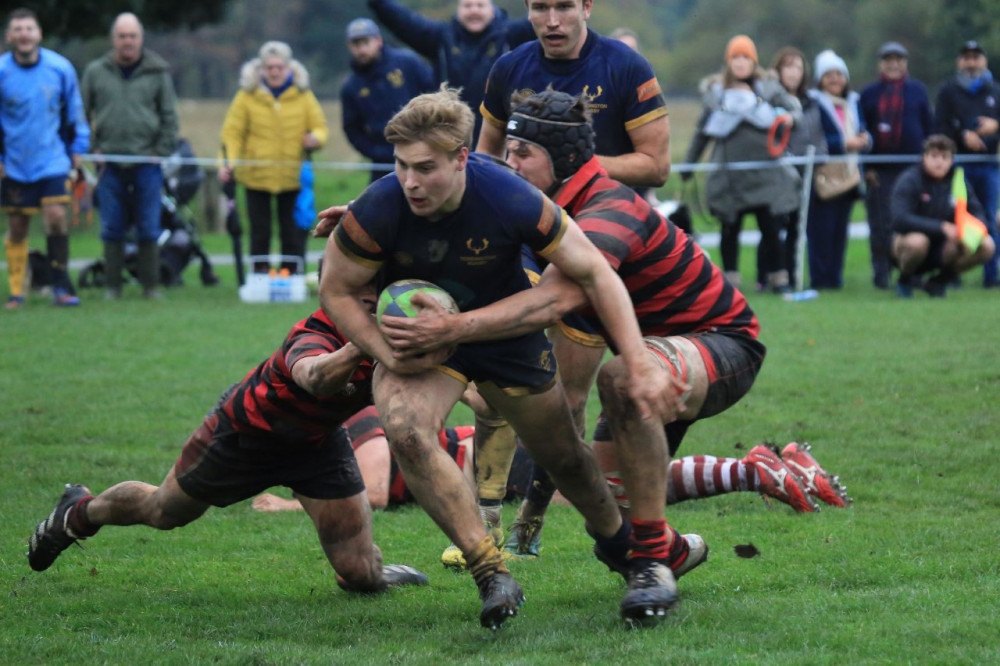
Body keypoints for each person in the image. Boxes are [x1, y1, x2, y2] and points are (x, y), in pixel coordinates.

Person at [319, 88, 684, 628]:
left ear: (462, 158)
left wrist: (635, 359)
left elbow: (595, 273)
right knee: (406, 428)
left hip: (507, 338)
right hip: (422, 344)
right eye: (400, 166)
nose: (410, 182)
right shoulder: (380, 205)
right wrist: (385, 351)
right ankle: (490, 572)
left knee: (563, 458)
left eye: (425, 168)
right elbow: (336, 290)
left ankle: (619, 545)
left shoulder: (508, 196)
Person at [26, 294, 429, 596]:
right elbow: (316, 378)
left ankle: (371, 566)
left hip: (316, 443)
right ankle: (79, 511)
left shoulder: (400, 337)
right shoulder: (316, 331)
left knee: (361, 577)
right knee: (164, 511)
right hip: (245, 434)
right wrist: (364, 342)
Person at [254, 405, 848, 516]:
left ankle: (754, 470)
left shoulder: (357, 423)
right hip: (501, 458)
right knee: (617, 487)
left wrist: (289, 506)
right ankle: (762, 468)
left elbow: (378, 492)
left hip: (504, 460)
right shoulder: (345, 431)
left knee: (613, 491)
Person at [477, 0, 670, 189]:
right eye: (540, 7)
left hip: (605, 212)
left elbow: (657, 168)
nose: (552, 21)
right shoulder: (508, 67)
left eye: (564, 6)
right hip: (529, 215)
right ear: (528, 10)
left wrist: (571, 163)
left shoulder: (628, 66)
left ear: (586, 7)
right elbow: (487, 155)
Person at [682, 35, 802, 292]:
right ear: (728, 61)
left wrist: (791, 118)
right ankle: (731, 282)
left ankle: (778, 279)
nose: (740, 62)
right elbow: (702, 132)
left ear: (753, 61)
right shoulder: (716, 94)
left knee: (770, 228)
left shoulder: (768, 88)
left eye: (745, 57)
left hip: (765, 175)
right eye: (735, 57)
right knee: (730, 229)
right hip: (729, 178)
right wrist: (688, 166)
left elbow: (794, 109)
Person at [81, 12, 179, 300]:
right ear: (114, 39)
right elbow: (81, 114)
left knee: (149, 226)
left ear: (141, 39)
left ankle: (150, 287)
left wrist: (159, 152)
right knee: (112, 225)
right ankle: (113, 286)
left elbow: (169, 117)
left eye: (132, 36)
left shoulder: (157, 72)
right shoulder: (96, 72)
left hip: (147, 164)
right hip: (109, 165)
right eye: (122, 36)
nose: (127, 41)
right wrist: (92, 148)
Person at [1, 7, 89, 309]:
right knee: (17, 226)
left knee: (56, 216)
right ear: (9, 36)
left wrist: (78, 148)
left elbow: (75, 113)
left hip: (52, 160)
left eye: (30, 28)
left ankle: (61, 286)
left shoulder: (60, 69)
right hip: (14, 162)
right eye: (18, 29)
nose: (24, 34)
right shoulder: (1, 72)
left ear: (39, 34)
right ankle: (17, 291)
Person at [219, 40, 328, 275]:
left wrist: (315, 139)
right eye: (270, 67)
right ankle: (259, 274)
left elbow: (320, 127)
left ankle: (292, 274)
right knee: (260, 231)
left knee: (292, 230)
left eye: (280, 66)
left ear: (289, 68)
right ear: (261, 69)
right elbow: (232, 134)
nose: (275, 71)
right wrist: (228, 164)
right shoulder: (246, 97)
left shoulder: (303, 95)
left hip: (293, 178)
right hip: (256, 178)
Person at [366, 0, 533, 144]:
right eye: (467, 5)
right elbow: (402, 20)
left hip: (499, 133)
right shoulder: (441, 38)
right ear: (458, 10)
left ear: (492, 9)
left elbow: (542, 17)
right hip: (450, 134)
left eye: (480, 5)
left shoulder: (510, 36)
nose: (474, 10)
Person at [859, 41, 934, 290]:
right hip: (880, 170)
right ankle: (881, 274)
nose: (893, 64)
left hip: (912, 169)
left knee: (912, 221)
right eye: (888, 59)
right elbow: (863, 133)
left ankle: (911, 271)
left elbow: (928, 128)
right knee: (880, 223)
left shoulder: (917, 91)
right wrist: (866, 168)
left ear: (905, 63)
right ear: (881, 63)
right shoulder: (868, 94)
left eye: (898, 59)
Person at [891, 134, 996, 298]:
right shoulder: (910, 179)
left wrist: (969, 234)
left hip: (948, 244)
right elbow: (899, 219)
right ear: (924, 157)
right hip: (909, 243)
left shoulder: (959, 181)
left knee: (987, 245)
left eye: (944, 157)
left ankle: (938, 282)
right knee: (918, 242)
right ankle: (905, 280)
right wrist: (941, 227)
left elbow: (978, 213)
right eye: (933, 156)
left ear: (952, 160)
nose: (939, 162)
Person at [935, 40, 1000, 288]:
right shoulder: (948, 91)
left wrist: (995, 127)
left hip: (989, 165)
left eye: (976, 57)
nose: (971, 62)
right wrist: (962, 134)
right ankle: (954, 272)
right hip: (959, 166)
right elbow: (939, 125)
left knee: (989, 219)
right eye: (966, 57)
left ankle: (991, 274)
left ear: (984, 60)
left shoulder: (995, 91)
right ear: (959, 61)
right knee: (957, 218)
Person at [340, 18, 435, 183]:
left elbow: (434, 96)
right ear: (349, 47)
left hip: (423, 150)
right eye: (356, 44)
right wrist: (375, 152)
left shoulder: (408, 62)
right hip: (383, 161)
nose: (361, 49)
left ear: (378, 40)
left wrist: (429, 138)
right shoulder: (351, 86)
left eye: (365, 42)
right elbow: (351, 128)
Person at [807, 49, 871, 290]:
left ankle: (835, 279)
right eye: (829, 74)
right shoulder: (814, 103)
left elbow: (863, 129)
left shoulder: (854, 102)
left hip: (850, 175)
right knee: (820, 231)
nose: (835, 79)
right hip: (823, 176)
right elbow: (816, 137)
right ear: (820, 79)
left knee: (839, 232)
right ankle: (820, 279)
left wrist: (865, 140)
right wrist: (843, 143)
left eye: (839, 74)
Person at [772, 46, 827, 290]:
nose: (793, 73)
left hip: (804, 173)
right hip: (776, 174)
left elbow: (818, 136)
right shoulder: (771, 99)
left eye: (797, 67)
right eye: (788, 67)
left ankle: (794, 275)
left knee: (798, 226)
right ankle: (772, 274)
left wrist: (818, 161)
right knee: (773, 228)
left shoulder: (812, 102)